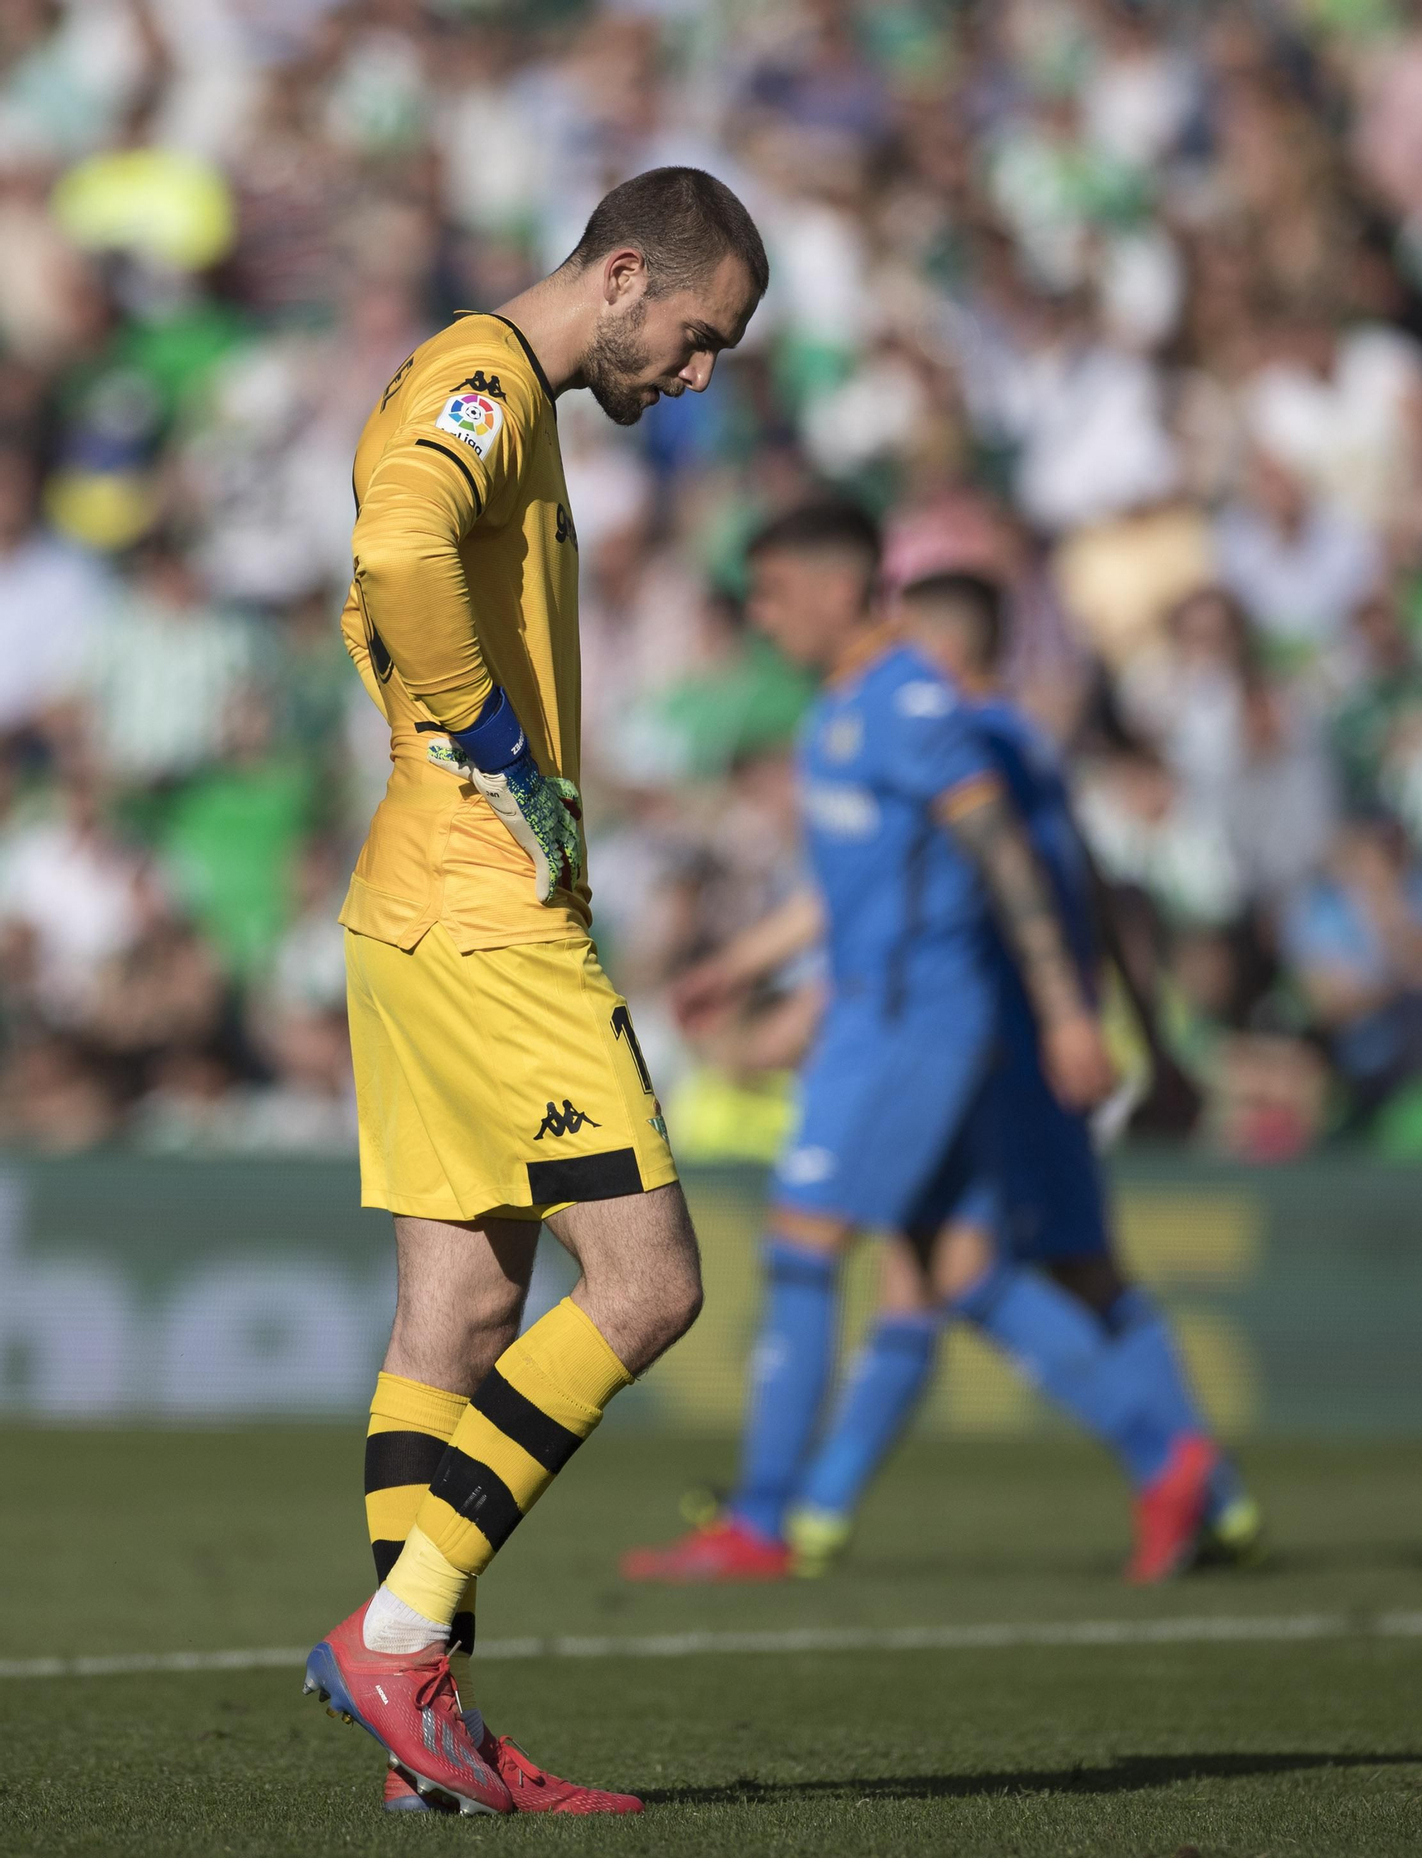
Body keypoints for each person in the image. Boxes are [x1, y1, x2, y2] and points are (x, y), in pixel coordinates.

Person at [300, 167, 768, 1818]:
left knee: (460, 1314)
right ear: (625, 275)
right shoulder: (484, 377)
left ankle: (421, 1741)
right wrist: (490, 731)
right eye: (697, 340)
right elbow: (394, 537)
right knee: (647, 1285)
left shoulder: (496, 386)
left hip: (414, 906)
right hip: (491, 913)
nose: (695, 377)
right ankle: (401, 1636)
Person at [621, 521, 1236, 1588]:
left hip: (912, 1019)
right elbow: (858, 882)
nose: (759, 619)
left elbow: (1008, 859)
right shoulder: (840, 712)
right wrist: (743, 958)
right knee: (963, 1273)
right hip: (889, 1012)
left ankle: (765, 1519)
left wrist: (1069, 1013)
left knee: (803, 1244)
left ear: (833, 585)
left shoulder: (914, 704)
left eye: (770, 594)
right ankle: (1167, 1453)